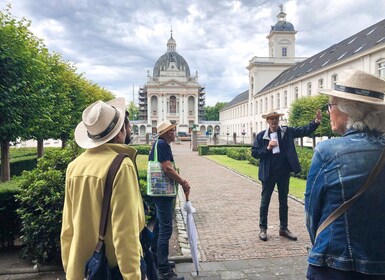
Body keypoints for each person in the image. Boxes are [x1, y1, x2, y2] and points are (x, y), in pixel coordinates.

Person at [305, 69, 385, 279]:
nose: (329, 111)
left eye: (330, 105)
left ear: (348, 111)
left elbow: (312, 217)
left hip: (336, 264)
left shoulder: (327, 152)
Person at [61, 97, 145, 280]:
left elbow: (67, 227)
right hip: (110, 269)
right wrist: (133, 276)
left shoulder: (74, 166)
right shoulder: (121, 165)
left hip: (82, 269)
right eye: (127, 126)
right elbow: (125, 233)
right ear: (120, 132)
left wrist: (71, 269)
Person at [251, 109, 321, 241]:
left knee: (284, 202)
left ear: (278, 119)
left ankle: (283, 228)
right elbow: (254, 153)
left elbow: (303, 130)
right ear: (267, 121)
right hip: (268, 174)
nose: (274, 121)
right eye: (271, 119)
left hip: (283, 173)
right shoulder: (261, 136)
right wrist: (267, 148)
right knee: (265, 202)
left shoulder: (286, 132)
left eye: (276, 118)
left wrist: (315, 122)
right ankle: (263, 229)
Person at [149, 120, 190, 280]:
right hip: (163, 194)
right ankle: (164, 271)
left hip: (159, 193)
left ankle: (157, 259)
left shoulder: (159, 144)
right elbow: (167, 168)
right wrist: (182, 181)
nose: (175, 132)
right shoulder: (163, 145)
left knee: (159, 226)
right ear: (166, 133)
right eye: (173, 130)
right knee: (166, 229)